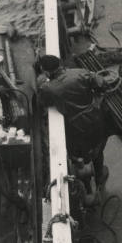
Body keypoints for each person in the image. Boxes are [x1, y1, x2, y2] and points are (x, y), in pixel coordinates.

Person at [36, 54, 114, 186]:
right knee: (97, 148)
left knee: (77, 156)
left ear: (45, 71)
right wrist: (95, 100)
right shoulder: (81, 73)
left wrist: (42, 83)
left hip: (74, 128)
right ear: (60, 63)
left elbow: (43, 102)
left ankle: (85, 184)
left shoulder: (48, 88)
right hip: (95, 119)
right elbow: (103, 84)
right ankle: (100, 176)